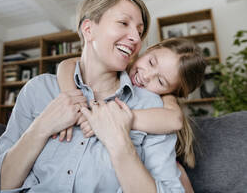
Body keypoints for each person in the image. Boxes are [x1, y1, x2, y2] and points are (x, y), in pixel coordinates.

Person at [0, 0, 195, 192]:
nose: (136, 38)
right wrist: (42, 126)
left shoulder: (151, 106)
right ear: (88, 29)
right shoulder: (38, 89)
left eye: (139, 32)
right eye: (123, 23)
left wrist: (119, 142)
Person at [56, 37, 206, 193]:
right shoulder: (119, 62)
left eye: (160, 81)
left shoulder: (162, 101)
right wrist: (73, 103)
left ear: (173, 92)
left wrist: (112, 119)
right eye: (151, 62)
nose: (147, 75)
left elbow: (175, 121)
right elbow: (68, 64)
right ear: (149, 50)